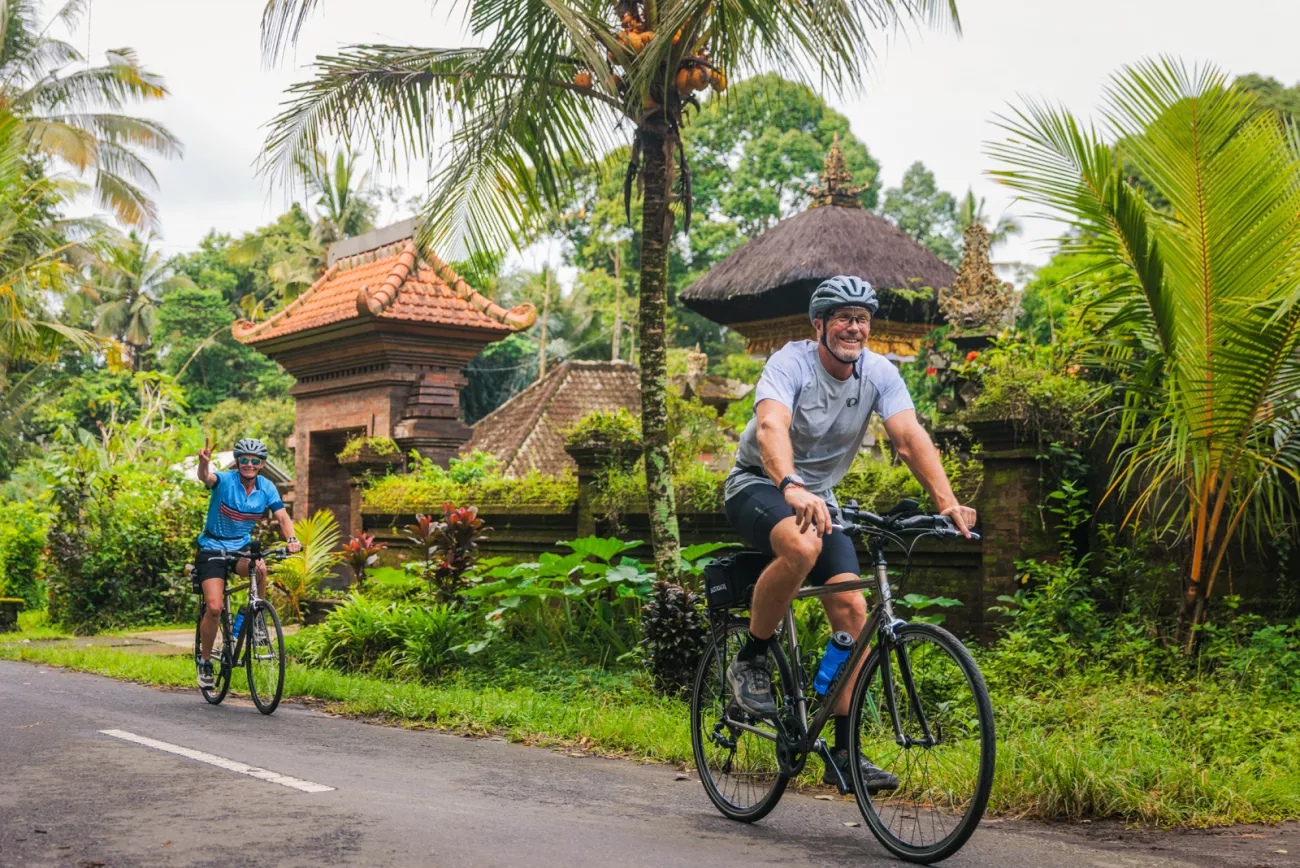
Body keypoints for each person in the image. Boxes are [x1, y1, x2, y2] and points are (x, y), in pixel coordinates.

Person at [722, 275, 977, 794]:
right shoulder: (790, 362)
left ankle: (843, 753)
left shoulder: (880, 373)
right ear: (820, 324)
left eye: (862, 319)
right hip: (758, 483)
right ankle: (750, 658)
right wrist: (790, 485)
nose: (854, 327)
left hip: (822, 498)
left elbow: (908, 439)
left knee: (856, 612)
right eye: (842, 317)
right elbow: (772, 426)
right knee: (802, 543)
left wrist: (947, 503)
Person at [193, 437, 301, 689]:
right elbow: (206, 478)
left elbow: (283, 516)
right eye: (244, 459)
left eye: (254, 461)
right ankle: (206, 661)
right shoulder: (225, 480)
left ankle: (255, 617)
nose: (249, 464)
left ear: (261, 464)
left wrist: (292, 539)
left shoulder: (267, 487)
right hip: (212, 547)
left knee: (260, 568)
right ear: (238, 461)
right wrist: (203, 464)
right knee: (215, 608)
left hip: (239, 546)